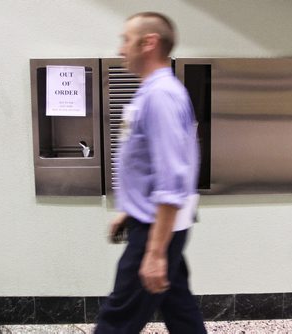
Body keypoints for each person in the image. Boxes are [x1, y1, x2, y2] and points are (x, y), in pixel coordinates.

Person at [95, 12, 207, 333]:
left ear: (149, 43)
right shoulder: (153, 92)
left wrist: (155, 252)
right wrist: (128, 210)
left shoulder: (161, 95)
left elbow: (171, 177)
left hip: (156, 228)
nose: (120, 49)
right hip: (153, 220)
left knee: (117, 319)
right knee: (179, 307)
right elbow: (146, 165)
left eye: (126, 40)